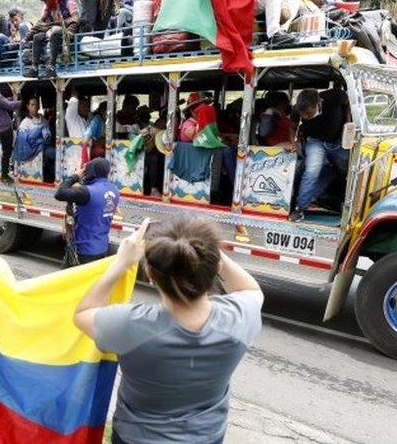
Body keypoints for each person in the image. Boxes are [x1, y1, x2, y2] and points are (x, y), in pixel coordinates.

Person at [73, 217, 263, 444]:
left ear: (150, 276)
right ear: (217, 267)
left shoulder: (130, 325)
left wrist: (121, 263)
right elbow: (251, 289)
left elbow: (82, 314)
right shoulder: (238, 319)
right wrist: (211, 250)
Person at [290, 86, 350, 222]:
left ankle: (342, 201)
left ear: (318, 103)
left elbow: (348, 103)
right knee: (312, 170)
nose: (305, 117)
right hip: (315, 141)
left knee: (344, 171)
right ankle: (300, 208)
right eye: (303, 114)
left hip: (338, 142)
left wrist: (347, 123)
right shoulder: (297, 110)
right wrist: (294, 144)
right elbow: (292, 127)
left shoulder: (335, 96)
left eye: (308, 113)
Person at [54, 158, 119, 263]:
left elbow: (59, 193)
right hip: (102, 247)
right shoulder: (114, 190)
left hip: (84, 249)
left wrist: (76, 176)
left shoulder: (87, 192)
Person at [22, 0, 79, 78]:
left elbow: (75, 19)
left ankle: (51, 67)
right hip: (53, 33)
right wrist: (27, 37)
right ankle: (34, 68)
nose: (45, 2)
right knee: (38, 36)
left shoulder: (69, 2)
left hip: (67, 33)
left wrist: (63, 27)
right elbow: (39, 23)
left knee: (56, 31)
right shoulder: (49, 8)